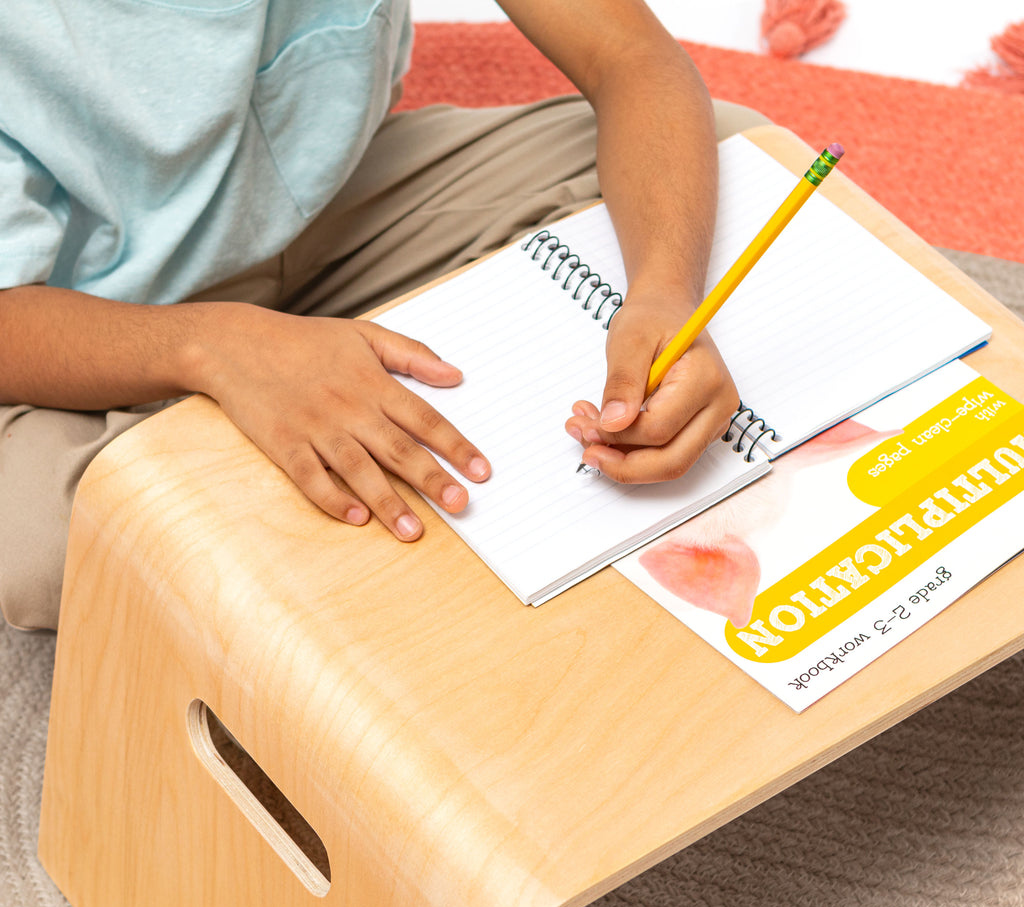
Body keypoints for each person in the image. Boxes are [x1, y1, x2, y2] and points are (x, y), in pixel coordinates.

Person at [0, 0, 770, 631]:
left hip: (336, 206)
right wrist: (213, 347)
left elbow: (630, 56)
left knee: (735, 156)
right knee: (34, 541)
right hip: (86, 307)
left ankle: (355, 481)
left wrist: (668, 294)